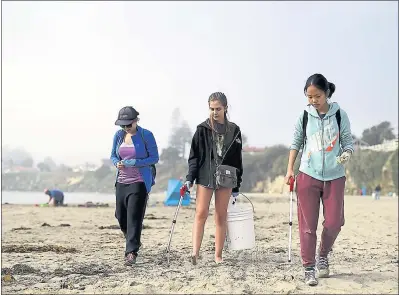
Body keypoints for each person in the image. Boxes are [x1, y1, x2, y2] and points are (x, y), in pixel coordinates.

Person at [284, 74, 354, 286]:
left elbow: (348, 142)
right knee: (307, 226)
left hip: (335, 176)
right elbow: (296, 142)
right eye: (309, 96)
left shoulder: (340, 115)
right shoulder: (304, 116)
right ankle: (309, 268)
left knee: (334, 222)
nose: (313, 100)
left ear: (327, 93)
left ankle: (323, 254)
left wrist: (347, 153)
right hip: (307, 174)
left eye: (317, 96)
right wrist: (289, 169)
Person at [184, 92, 243, 265]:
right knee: (201, 213)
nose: (215, 112)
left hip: (226, 177)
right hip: (205, 176)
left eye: (218, 108)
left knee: (220, 216)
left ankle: (218, 256)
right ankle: (195, 252)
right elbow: (193, 157)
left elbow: (238, 159)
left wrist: (237, 185)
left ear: (225, 108)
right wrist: (190, 178)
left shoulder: (234, 130)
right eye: (211, 109)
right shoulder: (201, 129)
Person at [110, 106, 159, 266]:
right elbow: (112, 155)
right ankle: (133, 240)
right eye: (123, 125)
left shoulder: (146, 135)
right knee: (120, 216)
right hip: (121, 182)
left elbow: (154, 158)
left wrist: (135, 163)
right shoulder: (118, 136)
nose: (126, 128)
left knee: (134, 217)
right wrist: (117, 162)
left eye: (128, 125)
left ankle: (131, 252)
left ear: (136, 121)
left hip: (139, 182)